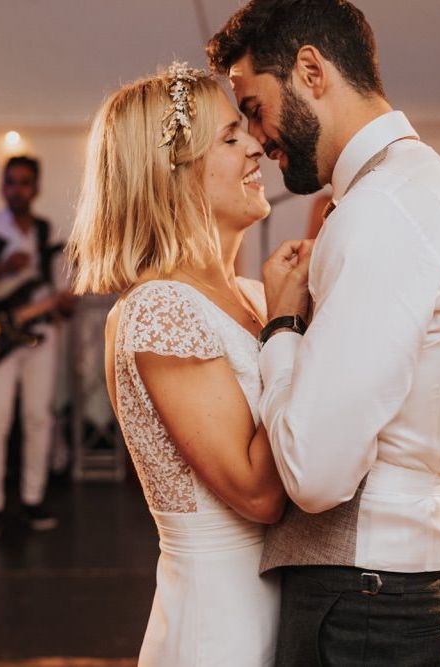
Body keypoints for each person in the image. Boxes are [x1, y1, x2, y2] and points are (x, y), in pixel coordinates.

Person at [208, 1, 440, 665]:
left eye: (254, 107)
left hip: (365, 601)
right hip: (400, 589)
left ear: (311, 70)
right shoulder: (415, 188)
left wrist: (283, 327)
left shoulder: (381, 211)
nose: (257, 138)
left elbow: (313, 473)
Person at [67, 63, 284, 665]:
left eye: (248, 132)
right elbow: (258, 495)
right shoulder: (159, 307)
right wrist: (293, 327)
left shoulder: (257, 295)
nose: (257, 147)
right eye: (230, 138)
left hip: (284, 602)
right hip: (224, 620)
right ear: (173, 175)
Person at [0, 156, 72, 541]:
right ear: (2, 187)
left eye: (25, 183)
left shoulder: (45, 229)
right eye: (11, 182)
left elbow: (51, 284)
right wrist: (1, 269)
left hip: (39, 332)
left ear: (35, 188)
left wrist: (63, 301)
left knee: (39, 417)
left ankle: (33, 499)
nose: (17, 189)